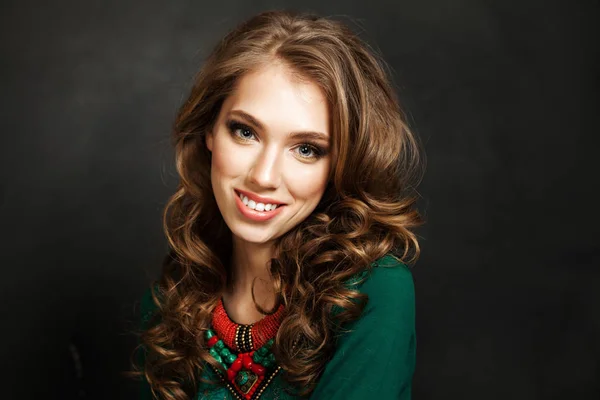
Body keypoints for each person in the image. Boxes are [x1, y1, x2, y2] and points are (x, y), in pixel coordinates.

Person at [134, 9, 424, 400]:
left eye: (306, 149)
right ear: (209, 131)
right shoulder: (174, 296)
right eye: (245, 131)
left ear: (341, 164)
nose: (264, 176)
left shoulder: (372, 292)